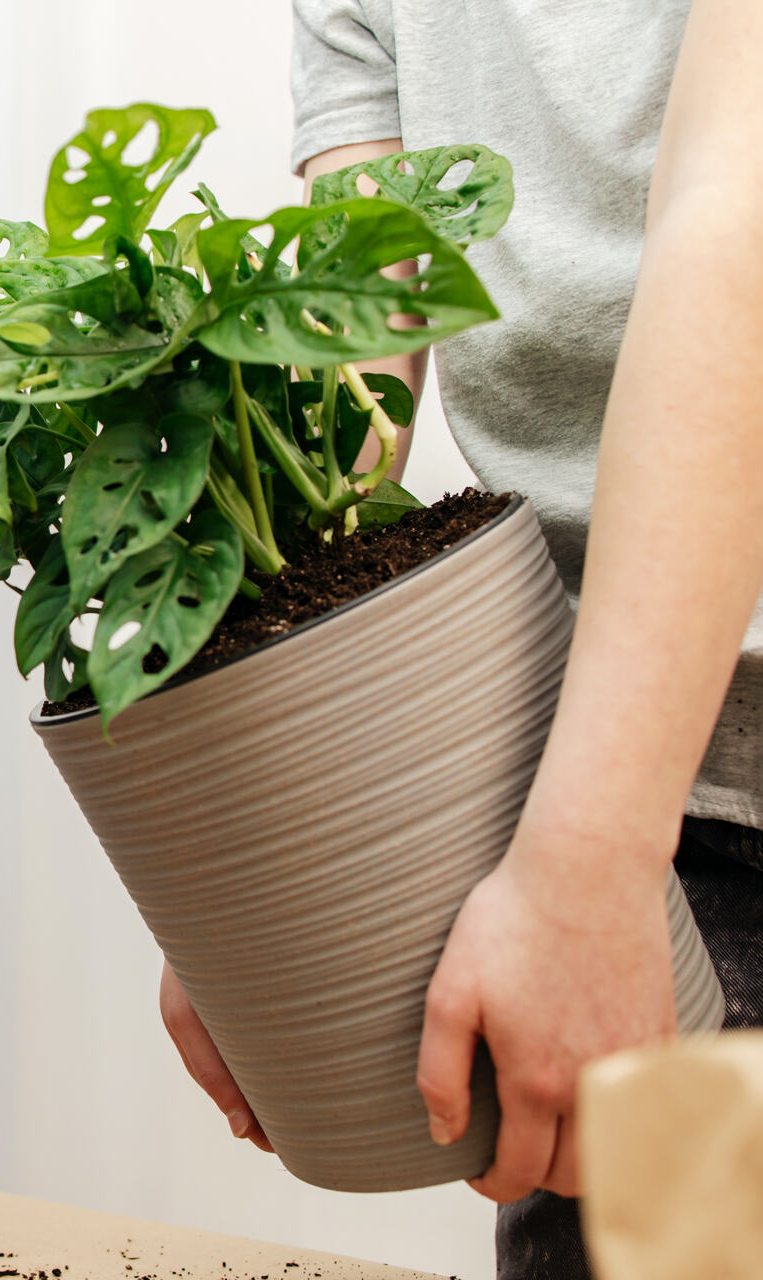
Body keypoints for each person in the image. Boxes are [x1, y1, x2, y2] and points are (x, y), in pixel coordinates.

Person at [156, 2, 763, 1276]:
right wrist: (248, 843)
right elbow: (348, 341)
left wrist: (591, 858)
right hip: (618, 766)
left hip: (625, 796)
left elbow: (738, 225)